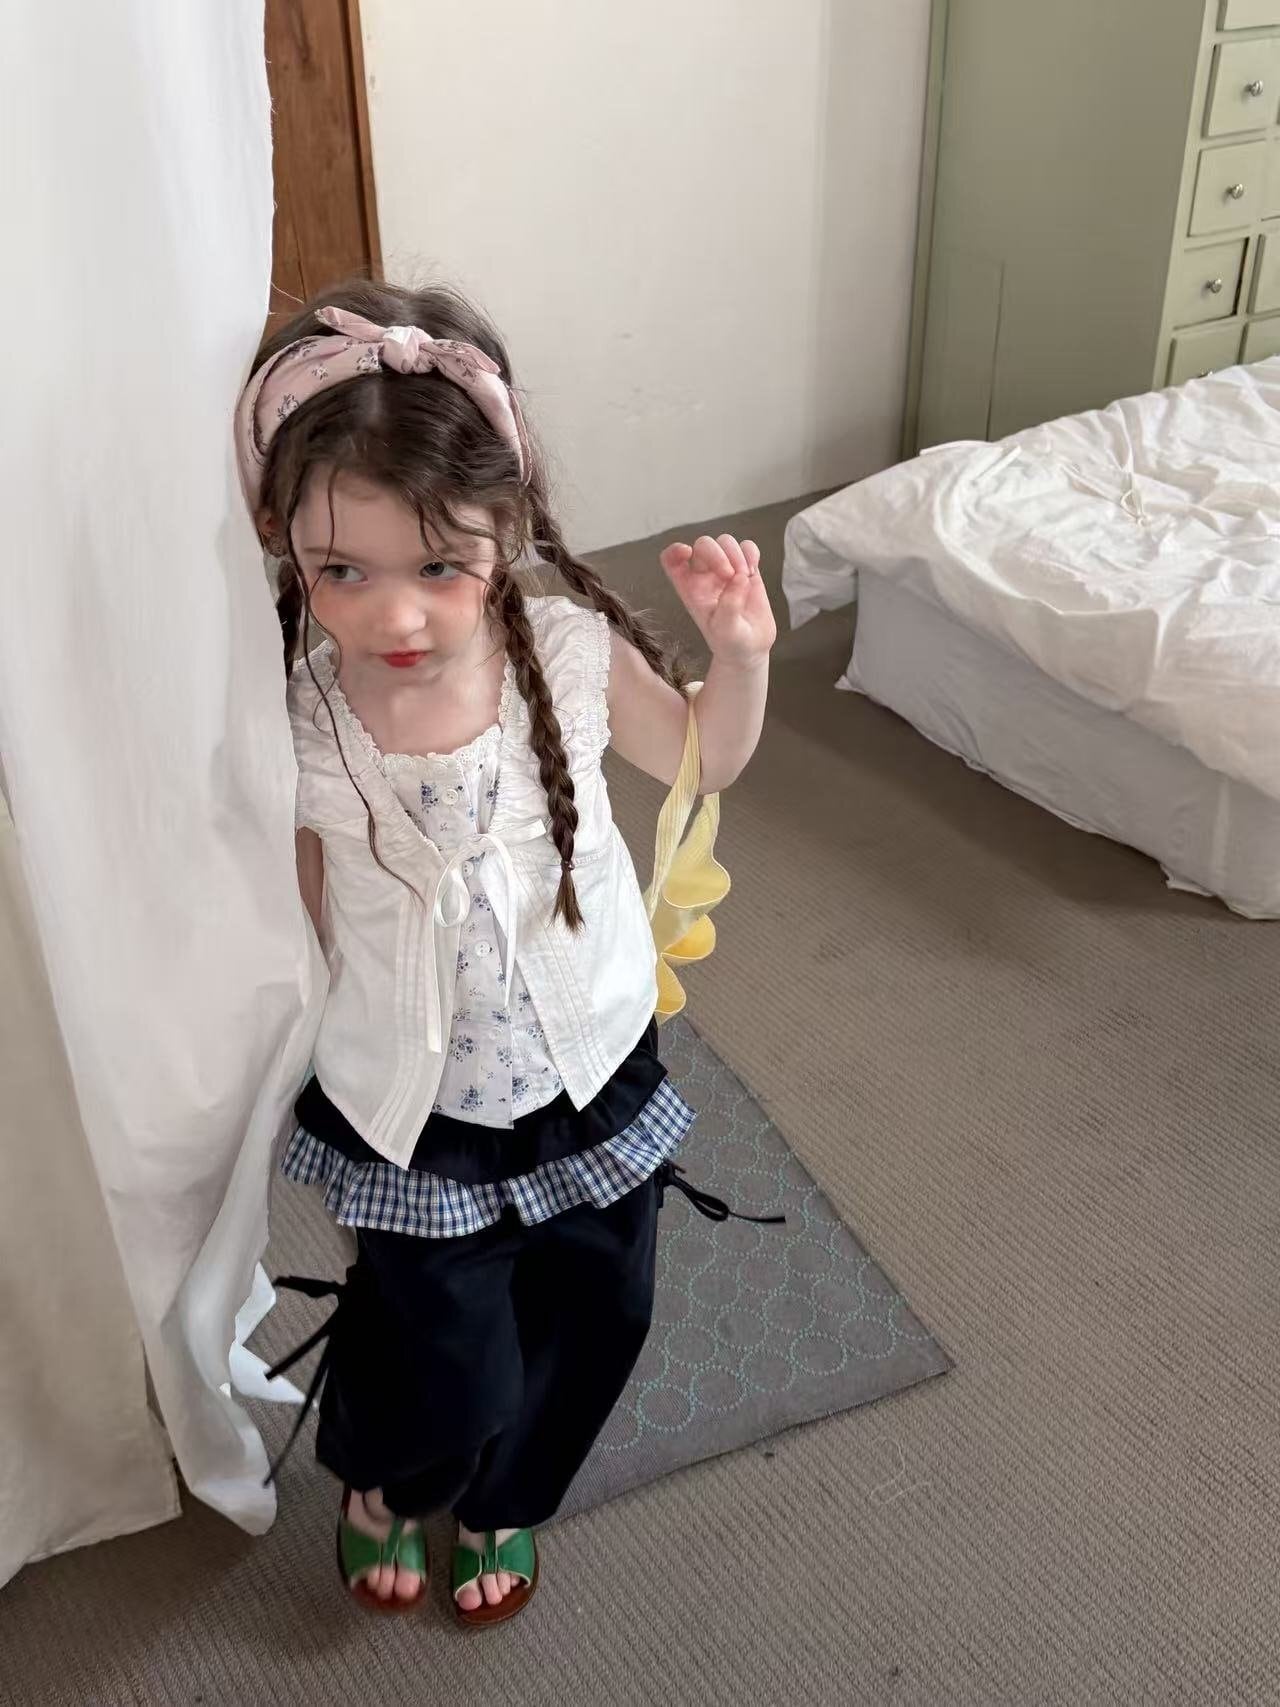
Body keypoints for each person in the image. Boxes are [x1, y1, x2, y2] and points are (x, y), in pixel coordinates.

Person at [236, 280, 776, 1626]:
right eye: (342, 571)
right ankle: (388, 1479)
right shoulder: (296, 717)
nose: (395, 617)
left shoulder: (570, 651)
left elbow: (702, 757)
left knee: (602, 1315)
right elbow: (293, 918)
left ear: (510, 525)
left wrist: (740, 658)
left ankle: (507, 1502)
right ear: (286, 547)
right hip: (412, 1105)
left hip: (588, 1068)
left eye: (439, 567)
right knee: (443, 1348)